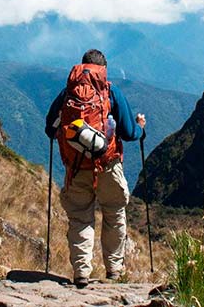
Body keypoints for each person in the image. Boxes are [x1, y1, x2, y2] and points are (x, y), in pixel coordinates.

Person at [45, 49, 145, 288]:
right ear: (104, 69)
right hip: (108, 165)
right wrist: (142, 127)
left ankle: (81, 273)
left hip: (77, 168)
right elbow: (130, 132)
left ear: (82, 67)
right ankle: (114, 271)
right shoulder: (110, 91)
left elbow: (50, 128)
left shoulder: (68, 93)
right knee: (114, 215)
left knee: (80, 218)